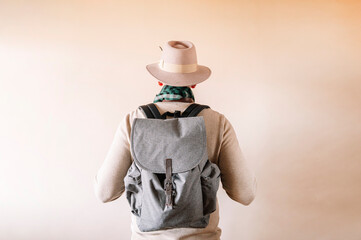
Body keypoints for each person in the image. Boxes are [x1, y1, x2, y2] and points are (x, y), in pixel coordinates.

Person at [94, 40, 257, 240]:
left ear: (160, 81)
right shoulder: (217, 122)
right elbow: (245, 194)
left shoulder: (134, 120)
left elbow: (105, 193)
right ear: (195, 82)